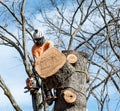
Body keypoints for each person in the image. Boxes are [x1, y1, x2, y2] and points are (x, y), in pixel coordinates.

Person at [31, 29, 56, 105]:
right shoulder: (34, 48)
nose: (38, 41)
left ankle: (55, 91)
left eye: (39, 39)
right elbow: (36, 59)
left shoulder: (49, 43)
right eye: (36, 40)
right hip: (41, 65)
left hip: (51, 62)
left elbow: (51, 51)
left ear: (42, 37)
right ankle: (47, 94)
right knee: (43, 77)